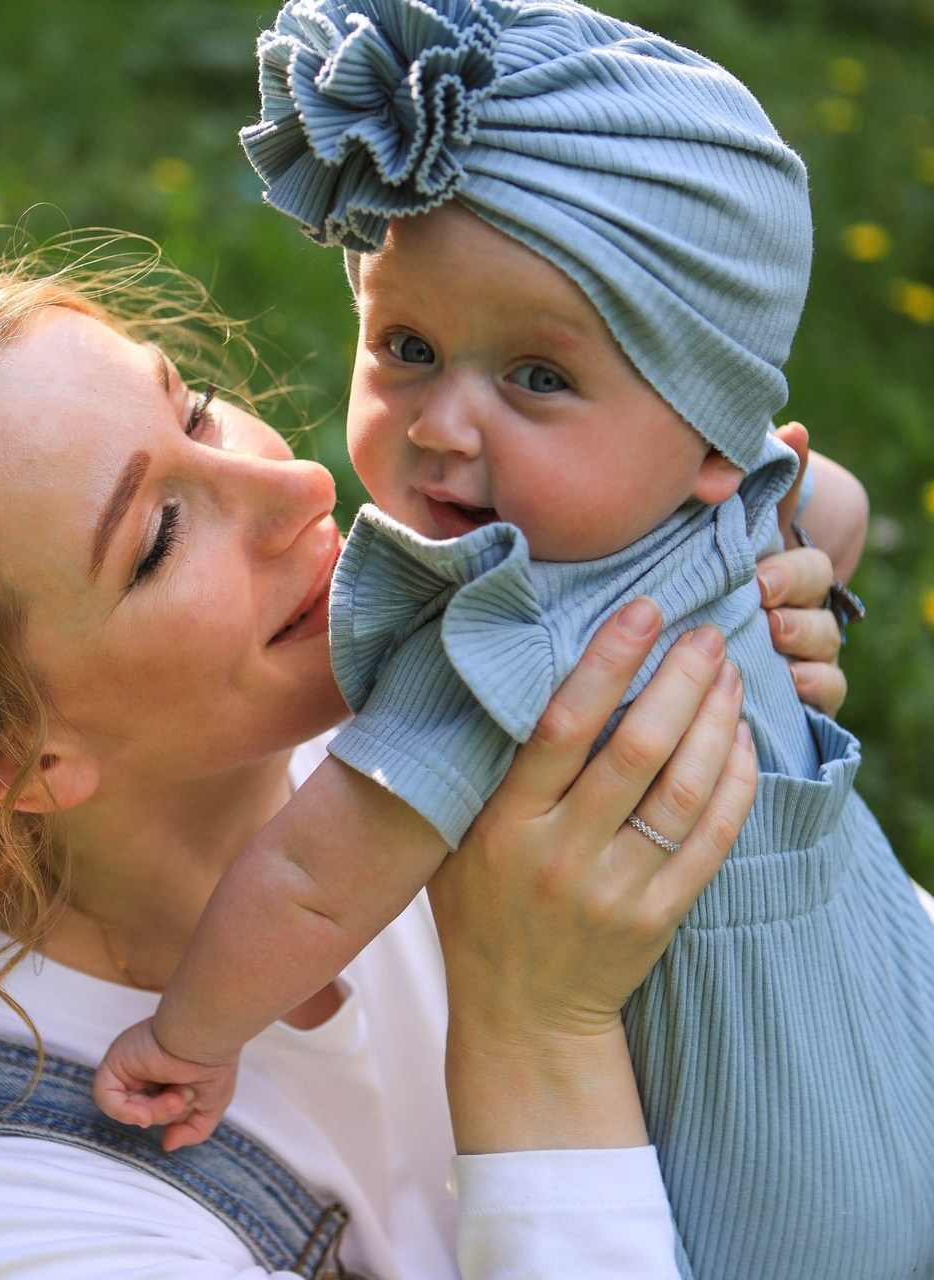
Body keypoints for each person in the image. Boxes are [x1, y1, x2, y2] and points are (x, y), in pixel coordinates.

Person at [0, 242, 851, 1280]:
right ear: (13, 754)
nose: (297, 485)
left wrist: (762, 624)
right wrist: (535, 1024)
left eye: (193, 411)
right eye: (158, 536)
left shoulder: (466, 649)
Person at [94, 4, 934, 1277]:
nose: (442, 422)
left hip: (760, 1175)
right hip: (889, 990)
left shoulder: (494, 625)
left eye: (535, 379)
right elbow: (833, 506)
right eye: (408, 348)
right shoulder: (720, 489)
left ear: (709, 437)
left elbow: (314, 878)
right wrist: (799, 572)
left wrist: (194, 1036)